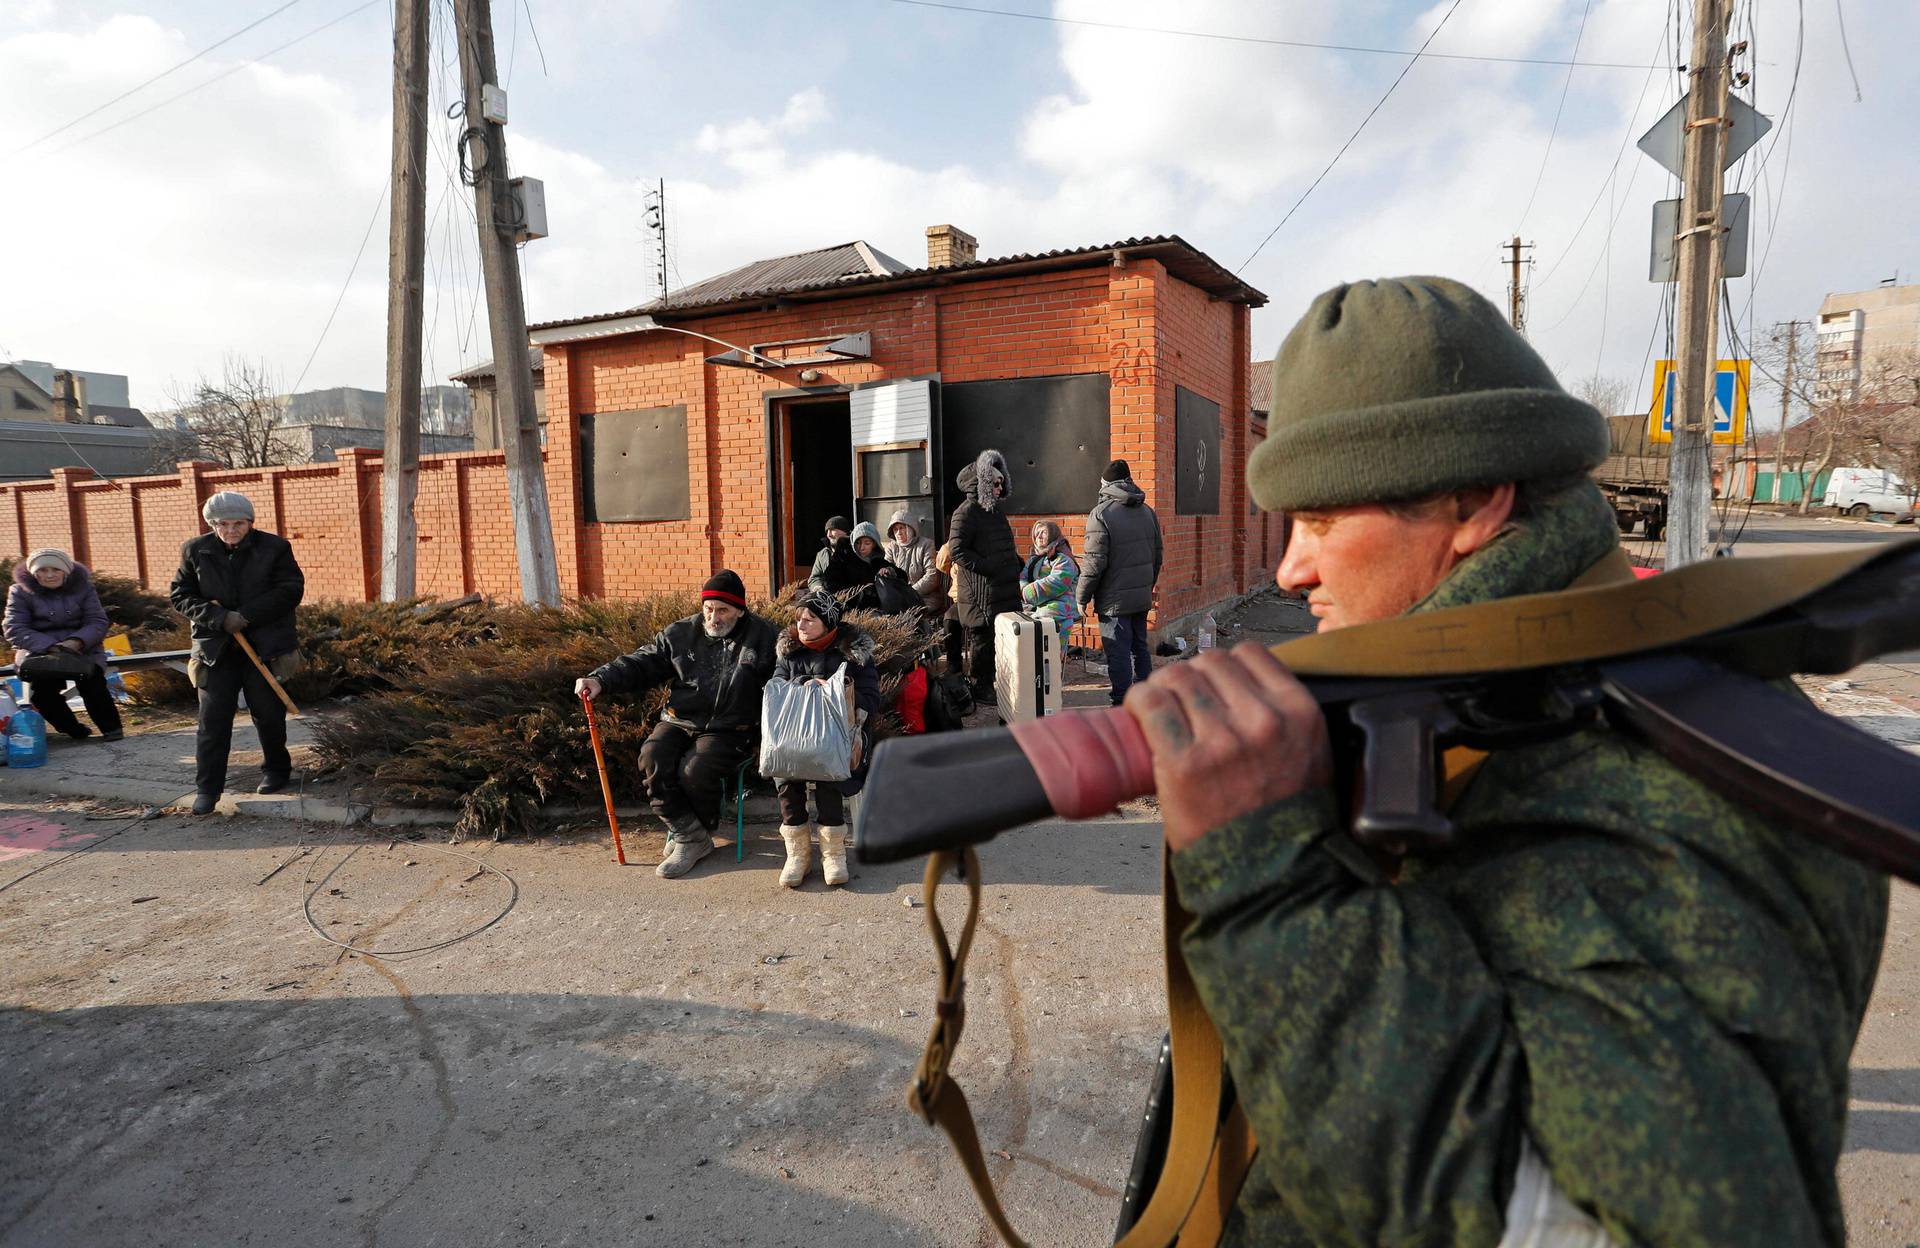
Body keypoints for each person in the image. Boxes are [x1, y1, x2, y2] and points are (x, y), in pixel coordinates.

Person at [1126, 277, 1887, 1245]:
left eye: (1319, 520)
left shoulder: (1658, 766)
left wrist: (1275, 890)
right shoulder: (1482, 696)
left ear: (1477, 503)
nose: (1289, 569)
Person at [575, 570, 778, 879]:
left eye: (723, 610)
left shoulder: (764, 637)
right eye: (708, 609)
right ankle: (689, 833)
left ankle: (695, 833)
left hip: (731, 728)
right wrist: (600, 678)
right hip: (680, 719)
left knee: (695, 769)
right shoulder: (681, 634)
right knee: (652, 756)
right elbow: (641, 662)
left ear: (740, 610)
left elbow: (788, 673)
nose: (714, 617)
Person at [169, 492, 306, 816]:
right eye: (223, 524)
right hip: (215, 650)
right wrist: (219, 618)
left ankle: (276, 770)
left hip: (264, 646)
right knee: (212, 721)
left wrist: (245, 616)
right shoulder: (195, 550)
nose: (231, 530)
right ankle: (208, 788)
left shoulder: (274, 548)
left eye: (238, 524)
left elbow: (290, 589)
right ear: (212, 524)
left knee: (268, 714)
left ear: (250, 523)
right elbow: (181, 594)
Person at [768, 590, 879, 889]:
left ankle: (832, 853)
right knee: (787, 776)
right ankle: (798, 854)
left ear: (827, 623)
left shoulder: (852, 652)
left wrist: (837, 691)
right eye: (799, 619)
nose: (801, 625)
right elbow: (776, 687)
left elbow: (870, 695)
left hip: (839, 735)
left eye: (810, 619)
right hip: (793, 734)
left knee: (828, 769)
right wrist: (805, 683)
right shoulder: (789, 650)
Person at [4, 548, 123, 742]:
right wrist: (50, 646)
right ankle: (73, 730)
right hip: (39, 651)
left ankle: (112, 729)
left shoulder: (84, 588)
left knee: (93, 683)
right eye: (42, 571)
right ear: (33, 573)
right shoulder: (19, 592)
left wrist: (76, 641)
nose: (49, 575)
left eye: (55, 570)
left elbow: (97, 621)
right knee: (41, 693)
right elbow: (14, 627)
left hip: (83, 648)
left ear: (66, 571)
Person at [1077, 458, 1161, 706]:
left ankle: (1122, 703)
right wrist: (1147, 584)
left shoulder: (1101, 514)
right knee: (1140, 647)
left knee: (1118, 651)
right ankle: (1146, 699)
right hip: (1140, 595)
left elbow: (1094, 562)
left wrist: (1082, 596)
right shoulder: (1148, 512)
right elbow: (1158, 554)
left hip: (1114, 600)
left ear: (1105, 483)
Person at [946, 449, 1020, 705]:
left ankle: (995, 683)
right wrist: (987, 566)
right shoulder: (965, 512)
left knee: (1001, 640)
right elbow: (956, 550)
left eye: (1002, 483)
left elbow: (1001, 545)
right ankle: (980, 686)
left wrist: (1015, 562)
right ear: (982, 484)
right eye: (995, 483)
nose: (1000, 488)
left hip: (1003, 588)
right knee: (983, 641)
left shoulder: (994, 511)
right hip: (981, 591)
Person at [1017, 519, 1080, 636]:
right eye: (1037, 533)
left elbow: (1057, 582)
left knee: (1046, 616)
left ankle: (1053, 653)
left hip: (1060, 603)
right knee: (1016, 619)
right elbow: (1023, 577)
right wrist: (1023, 589)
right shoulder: (1033, 559)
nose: (1039, 536)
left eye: (1044, 532)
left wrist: (1027, 593)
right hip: (1035, 603)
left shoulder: (1063, 558)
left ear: (1052, 535)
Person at [883, 509, 946, 615]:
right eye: (895, 529)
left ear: (911, 528)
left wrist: (910, 592)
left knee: (911, 614)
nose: (899, 533)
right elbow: (886, 574)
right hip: (899, 598)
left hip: (925, 598)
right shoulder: (891, 548)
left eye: (902, 528)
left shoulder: (926, 545)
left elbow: (932, 576)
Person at [807, 515, 853, 594]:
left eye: (832, 530)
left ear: (844, 531)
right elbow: (814, 578)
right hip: (828, 599)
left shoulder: (855, 550)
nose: (829, 535)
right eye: (827, 531)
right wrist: (817, 587)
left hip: (851, 597)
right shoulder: (822, 554)